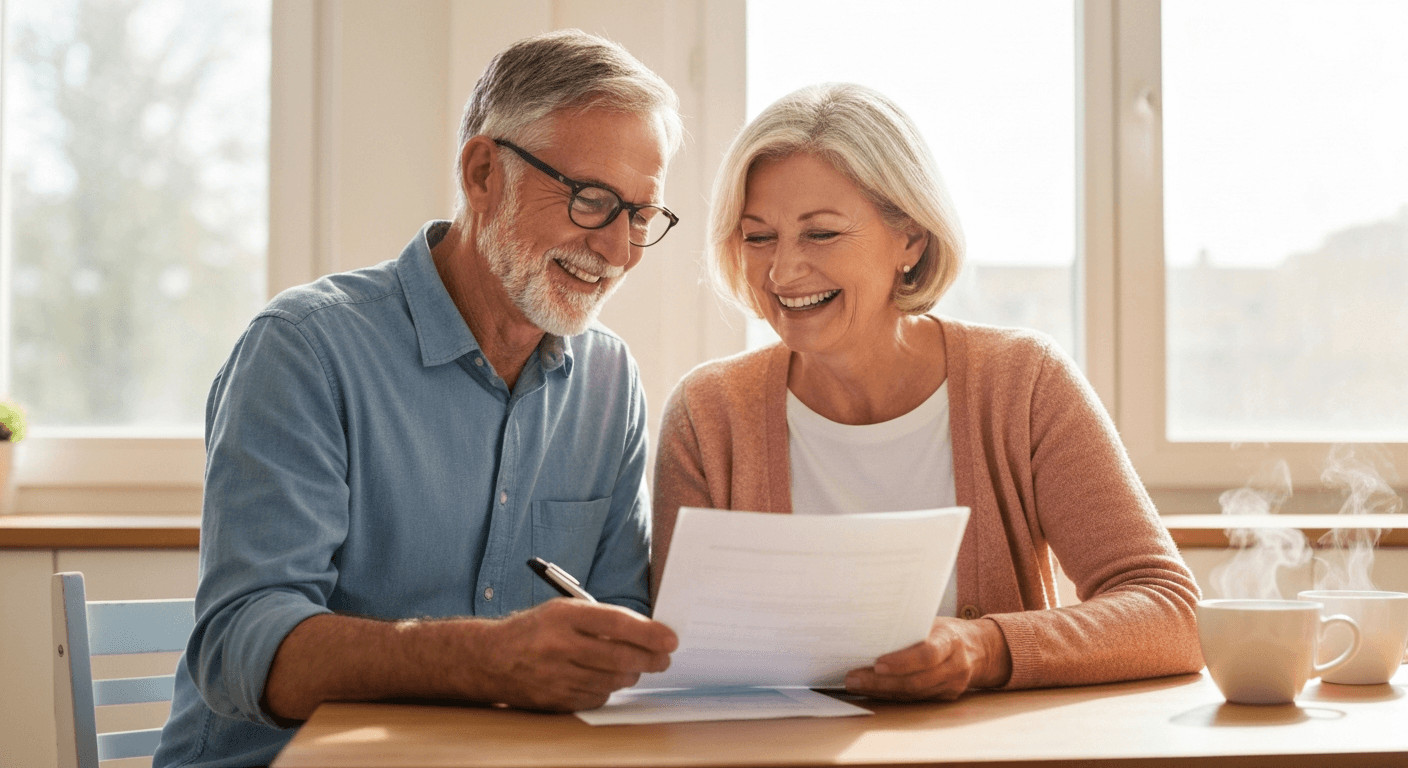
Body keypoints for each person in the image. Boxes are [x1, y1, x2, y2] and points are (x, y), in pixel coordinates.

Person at [154, 30, 682, 768]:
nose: (618, 251)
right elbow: (240, 645)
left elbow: (619, 617)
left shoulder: (610, 379)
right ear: (482, 173)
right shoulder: (304, 349)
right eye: (591, 200)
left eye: (641, 216)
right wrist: (486, 660)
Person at [652, 83, 1202, 702]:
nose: (781, 271)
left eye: (821, 234)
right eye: (758, 238)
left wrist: (985, 647)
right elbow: (676, 659)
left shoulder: (1023, 383)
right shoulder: (707, 414)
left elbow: (1171, 613)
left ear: (910, 239)